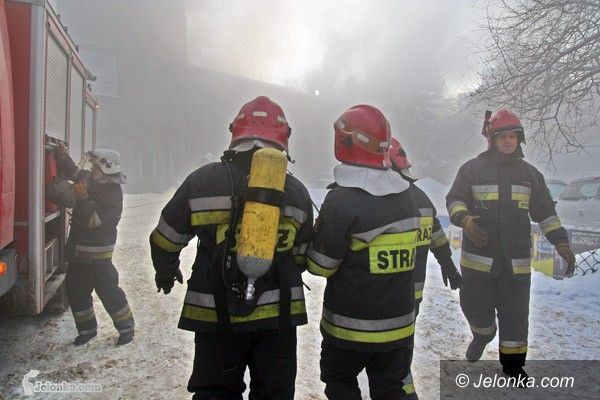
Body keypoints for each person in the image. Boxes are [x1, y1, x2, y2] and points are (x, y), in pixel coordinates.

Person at [149, 96, 313, 400]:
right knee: (274, 395)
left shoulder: (202, 181)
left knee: (216, 392)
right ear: (283, 139)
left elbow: (165, 238)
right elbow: (302, 256)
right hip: (278, 319)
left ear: (236, 132)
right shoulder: (297, 192)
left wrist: (166, 270)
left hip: (216, 314)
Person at [446, 109, 576, 379]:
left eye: (513, 136)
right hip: (477, 263)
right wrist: (465, 220)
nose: (508, 141)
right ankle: (482, 335)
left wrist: (561, 242)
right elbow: (454, 200)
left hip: (516, 264)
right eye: (503, 136)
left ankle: (514, 367)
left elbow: (545, 213)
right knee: (474, 309)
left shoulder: (530, 175)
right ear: (492, 139)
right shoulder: (471, 170)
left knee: (515, 319)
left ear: (519, 139)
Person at [307, 105, 420, 400]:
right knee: (391, 389)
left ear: (345, 141)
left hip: (349, 330)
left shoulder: (342, 200)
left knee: (340, 383)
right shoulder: (407, 197)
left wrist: (317, 234)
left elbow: (320, 266)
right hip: (399, 328)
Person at [55, 144, 134, 346]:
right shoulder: (92, 180)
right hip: (79, 253)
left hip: (98, 254)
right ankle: (87, 330)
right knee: (75, 290)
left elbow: (93, 221)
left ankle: (126, 328)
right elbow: (76, 172)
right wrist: (63, 157)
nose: (91, 169)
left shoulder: (113, 194)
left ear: (107, 168)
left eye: (95, 167)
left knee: (108, 291)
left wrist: (82, 197)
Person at [389, 138, 462, 316]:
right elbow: (437, 238)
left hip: (379, 297)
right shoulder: (422, 199)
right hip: (411, 297)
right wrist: (448, 265)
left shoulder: (374, 200)